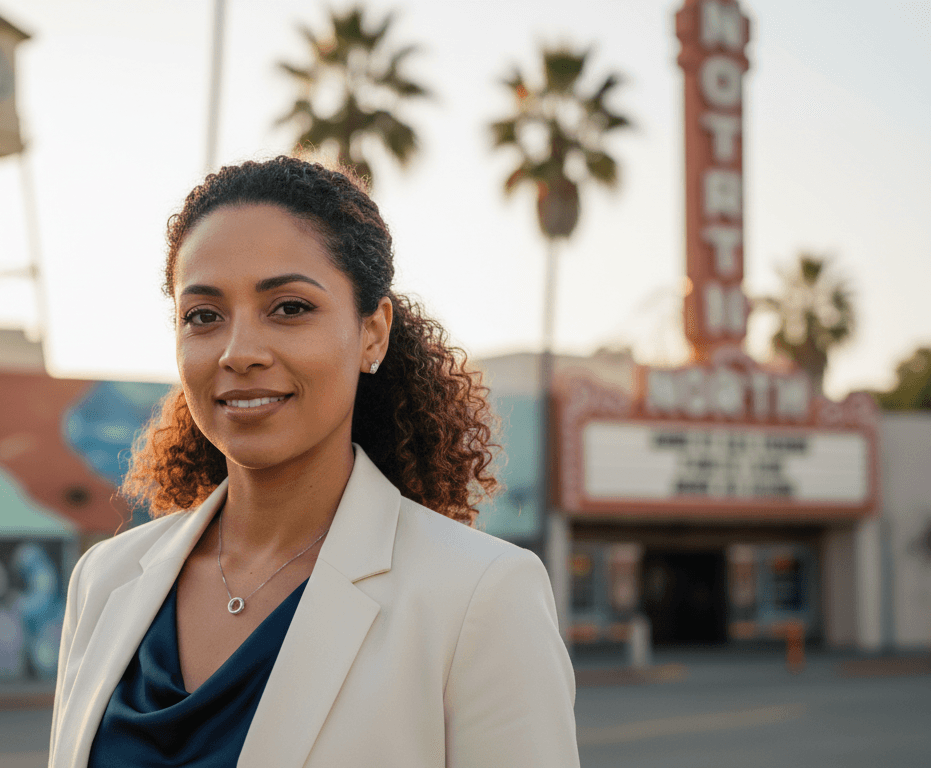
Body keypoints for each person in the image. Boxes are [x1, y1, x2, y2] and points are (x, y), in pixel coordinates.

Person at [48, 156, 578, 767]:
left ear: (372, 333)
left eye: (290, 308)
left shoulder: (479, 596)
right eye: (203, 316)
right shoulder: (105, 580)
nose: (239, 352)